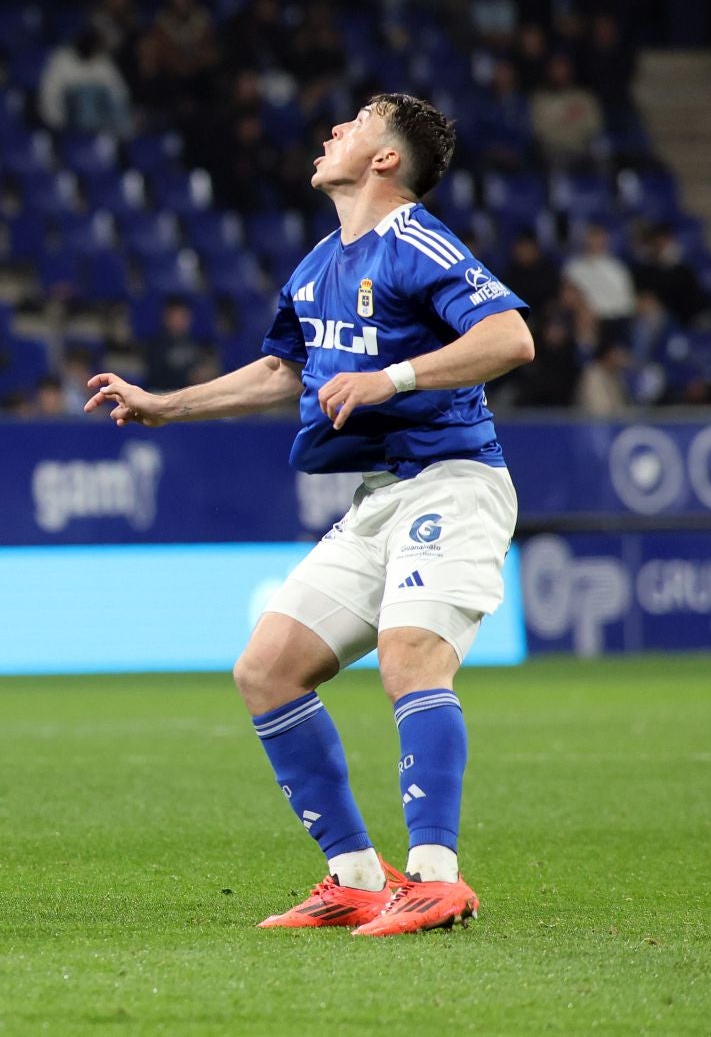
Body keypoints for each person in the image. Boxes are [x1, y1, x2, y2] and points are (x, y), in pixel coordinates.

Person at [86, 94, 534, 936]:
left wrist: (390, 380)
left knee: (410, 660)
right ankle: (357, 879)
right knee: (266, 669)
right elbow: (281, 372)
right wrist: (163, 405)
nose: (334, 130)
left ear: (386, 160)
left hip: (454, 482)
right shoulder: (321, 262)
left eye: (356, 121)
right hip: (382, 497)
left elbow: (510, 339)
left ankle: (437, 878)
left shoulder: (416, 241)